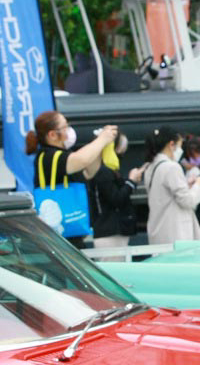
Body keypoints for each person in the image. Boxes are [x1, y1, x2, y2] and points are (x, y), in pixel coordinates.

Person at [27, 110, 118, 246]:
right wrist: (102, 139)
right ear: (52, 135)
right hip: (58, 240)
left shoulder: (63, 154)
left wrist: (100, 144)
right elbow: (81, 159)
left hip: (71, 235)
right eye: (64, 127)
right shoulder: (49, 156)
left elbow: (89, 171)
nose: (69, 130)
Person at [145, 126, 200, 247]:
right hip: (176, 233)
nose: (180, 150)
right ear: (171, 144)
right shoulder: (172, 167)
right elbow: (187, 201)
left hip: (158, 230)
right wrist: (198, 185)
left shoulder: (149, 167)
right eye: (180, 145)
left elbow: (162, 194)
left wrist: (186, 184)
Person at [87, 133, 141, 260]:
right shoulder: (103, 172)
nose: (122, 152)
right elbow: (116, 198)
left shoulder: (105, 170)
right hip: (109, 232)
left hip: (112, 231)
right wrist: (131, 182)